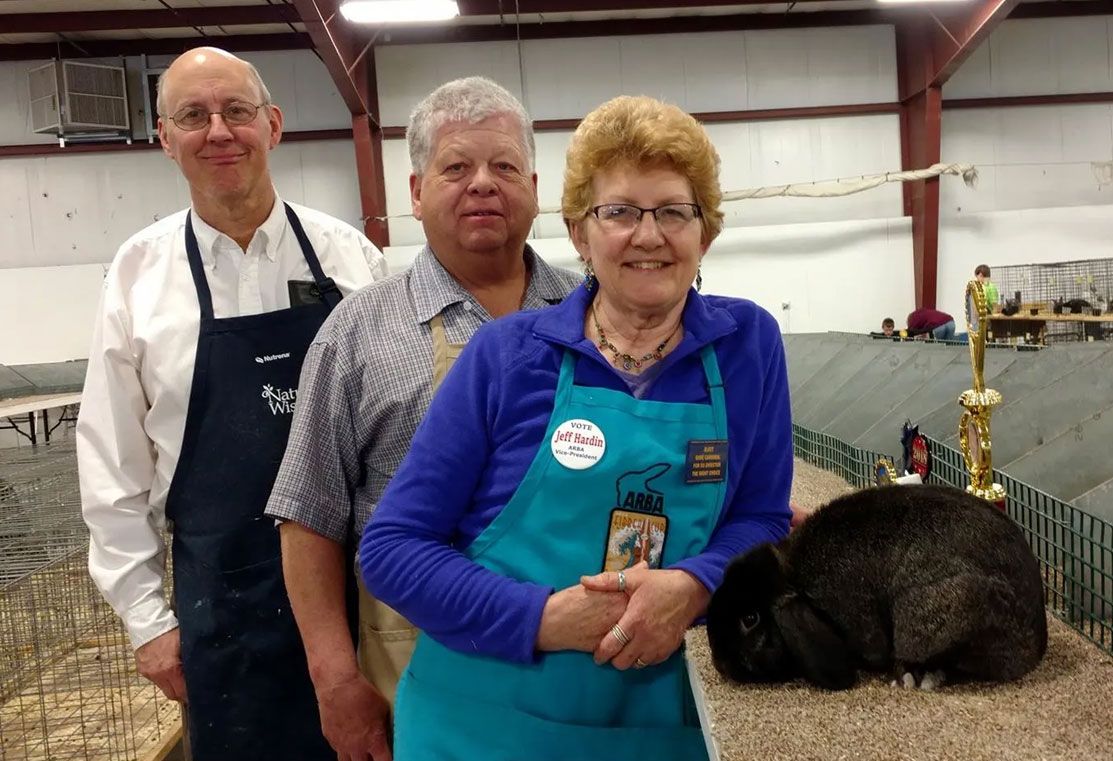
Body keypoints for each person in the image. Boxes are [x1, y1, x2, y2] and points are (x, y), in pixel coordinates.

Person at [360, 95, 793, 760]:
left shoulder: (746, 344)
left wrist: (694, 583)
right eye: (618, 211)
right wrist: (539, 619)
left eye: (673, 211)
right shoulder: (507, 355)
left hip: (657, 719)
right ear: (578, 230)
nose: (646, 235)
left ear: (704, 232)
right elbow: (392, 547)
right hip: (482, 720)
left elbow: (760, 516)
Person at [77, 47, 387, 760]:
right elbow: (110, 464)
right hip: (225, 606)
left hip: (362, 595)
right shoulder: (136, 276)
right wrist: (147, 620)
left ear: (272, 125)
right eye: (193, 115)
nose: (218, 131)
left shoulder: (348, 260)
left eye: (237, 112)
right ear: (165, 137)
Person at [264, 77, 579, 760]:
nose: (482, 185)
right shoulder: (356, 332)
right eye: (456, 167)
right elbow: (308, 515)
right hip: (417, 674)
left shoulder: (594, 316)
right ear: (414, 192)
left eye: (502, 167)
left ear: (532, 183)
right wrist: (333, 677)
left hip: (583, 670)